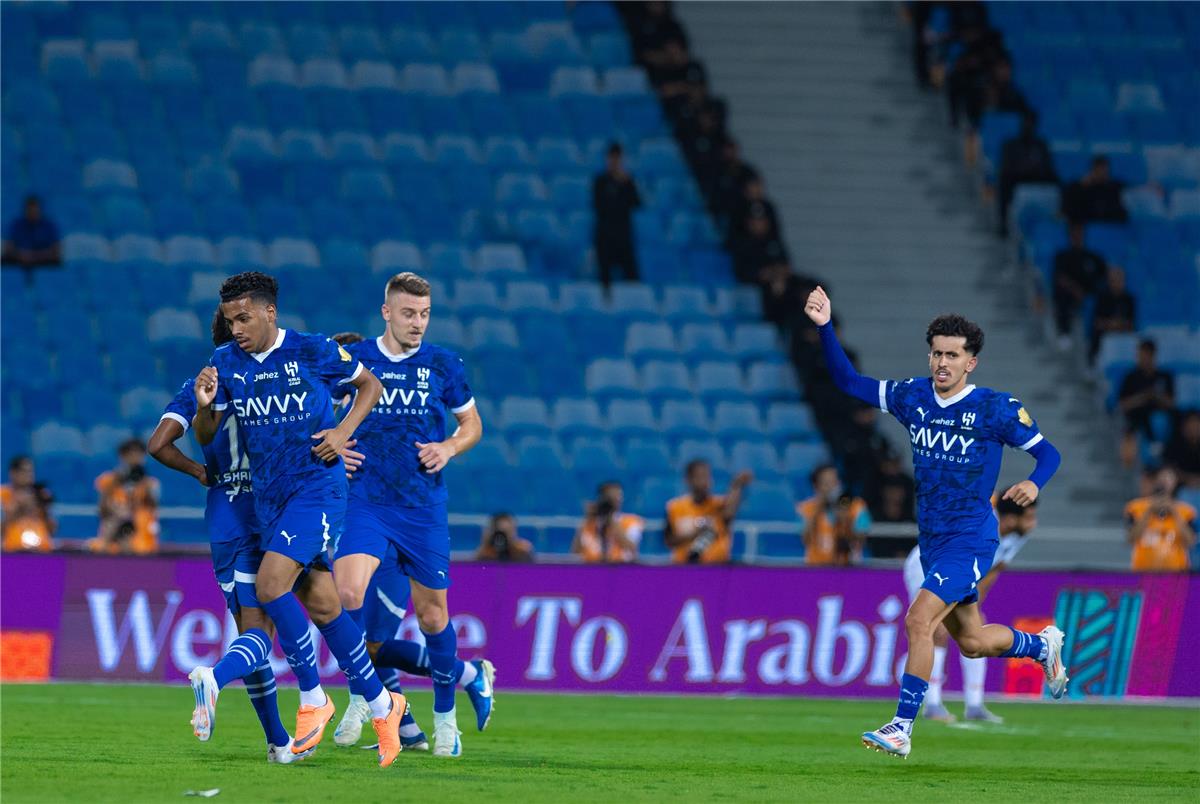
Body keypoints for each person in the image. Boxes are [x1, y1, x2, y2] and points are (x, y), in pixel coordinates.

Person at [803, 285, 1066, 758]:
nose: (942, 362)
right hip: (934, 542)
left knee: (919, 620)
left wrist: (1034, 484)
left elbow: (1048, 452)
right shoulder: (913, 397)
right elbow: (849, 382)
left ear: (971, 363)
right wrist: (825, 328)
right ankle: (1041, 647)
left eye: (952, 355)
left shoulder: (994, 408)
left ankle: (902, 726)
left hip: (972, 538)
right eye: (936, 354)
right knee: (971, 641)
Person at [189, 272, 408, 768]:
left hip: (318, 489)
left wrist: (343, 431)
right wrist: (204, 408)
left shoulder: (312, 350)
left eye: (244, 318)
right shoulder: (226, 362)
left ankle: (313, 697)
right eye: (230, 320)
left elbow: (368, 386)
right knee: (325, 605)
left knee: (270, 585)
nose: (237, 328)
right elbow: (208, 433)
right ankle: (383, 702)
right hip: (271, 499)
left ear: (270, 312)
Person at [329, 272, 491, 759]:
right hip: (366, 502)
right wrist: (334, 448)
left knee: (432, 614)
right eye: (407, 313)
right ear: (386, 313)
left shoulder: (443, 364)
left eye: (423, 314)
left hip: (422, 508)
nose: (417, 323)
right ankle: (364, 697)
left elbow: (472, 424)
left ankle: (446, 720)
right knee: (348, 591)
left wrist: (449, 446)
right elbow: (321, 417)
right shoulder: (357, 362)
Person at [147, 309, 305, 763]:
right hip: (268, 513)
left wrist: (201, 470)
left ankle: (278, 743)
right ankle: (213, 678)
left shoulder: (197, 387)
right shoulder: (264, 378)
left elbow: (157, 445)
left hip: (222, 520)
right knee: (262, 632)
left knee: (249, 632)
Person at [903, 495, 1039, 724]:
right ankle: (932, 704)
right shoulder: (980, 525)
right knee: (935, 630)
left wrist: (973, 604)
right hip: (929, 567)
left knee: (976, 629)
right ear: (1008, 519)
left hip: (962, 575)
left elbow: (996, 568)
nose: (1033, 523)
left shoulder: (1018, 535)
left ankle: (975, 704)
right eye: (1028, 518)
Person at [664, 461, 752, 564]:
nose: (705, 481)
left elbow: (729, 513)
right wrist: (695, 533)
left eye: (708, 476)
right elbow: (669, 541)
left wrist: (737, 485)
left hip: (716, 567)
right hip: (684, 567)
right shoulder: (675, 507)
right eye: (700, 476)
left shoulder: (719, 505)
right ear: (688, 479)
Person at [92, 438, 160, 555]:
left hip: (143, 544)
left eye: (139, 455)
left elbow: (153, 508)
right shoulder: (108, 480)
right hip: (113, 540)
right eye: (130, 455)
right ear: (122, 456)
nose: (135, 459)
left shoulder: (149, 483)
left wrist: (142, 487)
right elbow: (102, 510)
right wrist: (116, 482)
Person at [796, 464, 871, 566]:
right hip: (816, 568)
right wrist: (818, 509)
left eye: (835, 481)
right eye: (826, 483)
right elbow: (805, 539)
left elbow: (863, 536)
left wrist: (846, 520)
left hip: (848, 568)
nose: (832, 487)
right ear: (816, 487)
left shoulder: (856, 505)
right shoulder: (806, 507)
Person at [996, 111, 1057, 236]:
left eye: (1031, 123)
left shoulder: (1041, 145)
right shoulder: (1010, 144)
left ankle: (1058, 220)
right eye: (1026, 123)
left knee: (1058, 181)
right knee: (1004, 180)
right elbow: (1007, 166)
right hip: (1016, 179)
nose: (1028, 126)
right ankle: (1003, 222)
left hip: (1037, 178)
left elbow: (1048, 166)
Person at [1125, 466, 1196, 571]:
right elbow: (1131, 538)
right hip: (1143, 572)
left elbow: (1190, 541)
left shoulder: (1186, 511)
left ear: (1175, 482)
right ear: (1155, 480)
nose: (1165, 482)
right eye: (1162, 477)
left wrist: (1174, 513)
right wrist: (1149, 512)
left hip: (1177, 575)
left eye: (1169, 478)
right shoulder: (1135, 507)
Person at [1117, 340, 1175, 467]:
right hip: (1137, 412)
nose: (1143, 359)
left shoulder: (1165, 376)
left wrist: (1156, 395)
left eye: (1146, 355)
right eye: (1140, 355)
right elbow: (1123, 404)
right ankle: (1132, 458)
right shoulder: (1130, 377)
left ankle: (1167, 451)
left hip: (1158, 409)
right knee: (1136, 417)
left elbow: (1171, 403)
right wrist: (1142, 397)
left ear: (1154, 355)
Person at [592, 142, 642, 289]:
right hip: (604, 236)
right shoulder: (600, 181)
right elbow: (599, 206)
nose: (614, 161)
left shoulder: (628, 181)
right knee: (604, 280)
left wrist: (626, 184)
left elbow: (637, 203)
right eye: (612, 158)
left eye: (617, 158)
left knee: (632, 277)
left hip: (624, 236)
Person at [1051, 223, 1106, 349]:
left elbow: (1103, 276)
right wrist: (1076, 290)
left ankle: (1095, 349)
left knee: (1104, 298)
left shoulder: (1093, 257)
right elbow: (1060, 278)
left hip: (1089, 293)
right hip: (1070, 294)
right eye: (1074, 234)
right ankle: (1064, 332)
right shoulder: (1062, 256)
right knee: (1062, 296)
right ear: (1069, 236)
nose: (1077, 237)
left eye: (1080, 234)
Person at [572, 481, 644, 563]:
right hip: (591, 567)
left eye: (617, 496)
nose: (614, 500)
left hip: (620, 567)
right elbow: (575, 551)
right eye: (610, 497)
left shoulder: (631, 521)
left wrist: (611, 519)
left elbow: (631, 548)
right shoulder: (589, 522)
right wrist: (587, 519)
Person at [1, 456, 55, 552]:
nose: (29, 475)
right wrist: (18, 507)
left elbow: (52, 530)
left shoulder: (40, 494)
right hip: (10, 553)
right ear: (13, 473)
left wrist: (44, 508)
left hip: (43, 553)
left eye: (31, 471)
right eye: (24, 471)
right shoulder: (3, 494)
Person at [1089, 265, 1136, 363]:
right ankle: (1094, 362)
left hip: (1123, 335)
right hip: (1104, 336)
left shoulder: (1129, 299)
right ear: (1109, 281)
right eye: (1114, 280)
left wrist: (1118, 325)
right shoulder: (1102, 298)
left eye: (1120, 279)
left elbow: (1132, 324)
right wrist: (1111, 324)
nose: (1117, 282)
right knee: (1097, 336)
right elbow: (1097, 323)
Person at [1061, 155, 1128, 225]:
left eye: (1104, 170)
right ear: (1092, 170)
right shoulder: (1077, 187)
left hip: (1109, 225)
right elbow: (1070, 212)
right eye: (1099, 170)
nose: (1102, 173)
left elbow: (1121, 214)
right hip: (1086, 224)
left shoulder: (1115, 187)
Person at [1, 195, 61, 268]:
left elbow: (56, 250)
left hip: (42, 259)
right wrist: (21, 255)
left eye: (35, 211)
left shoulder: (49, 226)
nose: (32, 213)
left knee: (57, 261)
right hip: (20, 258)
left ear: (40, 210)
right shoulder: (16, 225)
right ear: (25, 211)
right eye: (30, 211)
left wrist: (35, 256)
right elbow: (9, 247)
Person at [1163, 411, 1200, 488]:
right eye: (1190, 424)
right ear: (1183, 427)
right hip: (1179, 487)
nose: (1193, 428)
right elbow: (1169, 468)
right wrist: (1188, 479)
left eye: (1196, 424)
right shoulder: (1175, 445)